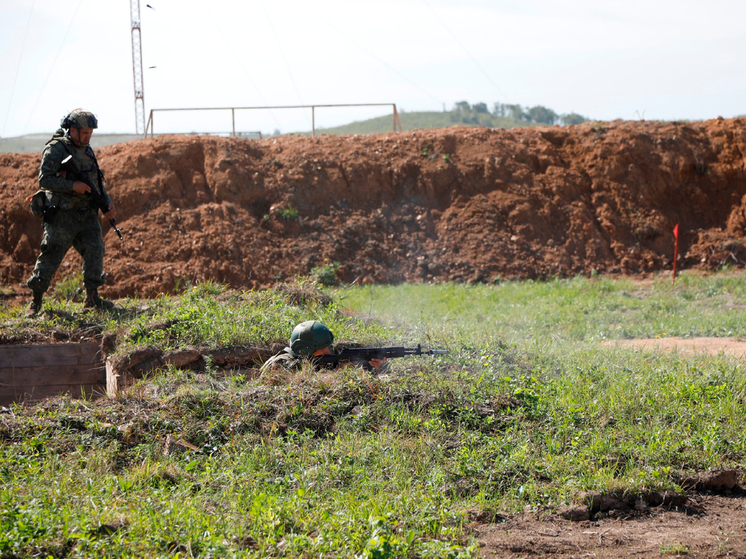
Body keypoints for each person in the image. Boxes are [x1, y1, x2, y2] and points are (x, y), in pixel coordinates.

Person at [25, 109, 117, 317]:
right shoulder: (56, 149)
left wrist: (107, 204)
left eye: (90, 133)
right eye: (85, 132)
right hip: (62, 215)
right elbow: (44, 180)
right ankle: (36, 301)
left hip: (86, 215)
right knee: (51, 254)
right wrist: (71, 185)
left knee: (95, 249)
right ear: (72, 130)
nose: (88, 136)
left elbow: (97, 184)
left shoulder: (87, 151)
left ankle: (92, 298)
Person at [261, 320, 385, 373]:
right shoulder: (281, 364)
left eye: (328, 347)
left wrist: (374, 366)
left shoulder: (322, 359)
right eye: (322, 349)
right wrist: (334, 375)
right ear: (305, 351)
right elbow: (302, 387)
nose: (328, 352)